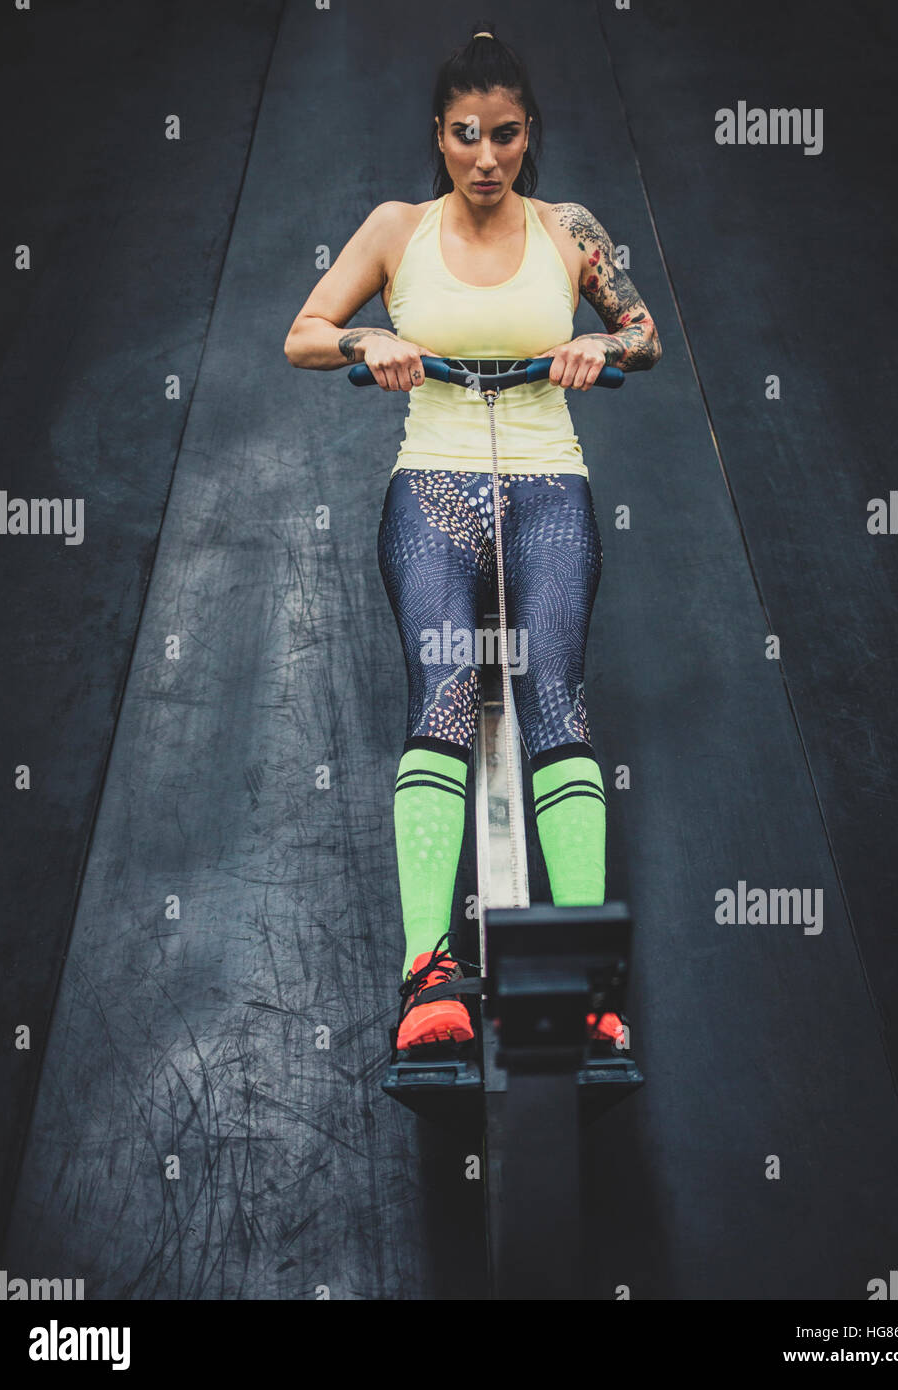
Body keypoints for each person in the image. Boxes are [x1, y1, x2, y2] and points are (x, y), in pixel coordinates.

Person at [284, 23, 661, 1056]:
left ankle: (583, 976)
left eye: (503, 135)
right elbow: (303, 334)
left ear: (526, 133)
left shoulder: (568, 226)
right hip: (434, 494)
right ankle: (425, 976)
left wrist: (592, 339)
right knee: (444, 692)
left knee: (553, 695)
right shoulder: (396, 228)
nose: (485, 156)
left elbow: (645, 333)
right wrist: (374, 337)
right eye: (464, 135)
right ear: (438, 135)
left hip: (547, 487)